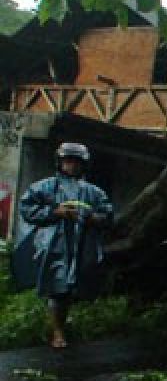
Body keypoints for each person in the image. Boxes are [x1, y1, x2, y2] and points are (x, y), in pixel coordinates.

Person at [14, 142, 113, 349]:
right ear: (60, 162)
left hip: (83, 245)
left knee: (75, 287)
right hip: (53, 244)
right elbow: (26, 208)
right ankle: (57, 332)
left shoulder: (93, 192)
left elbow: (107, 214)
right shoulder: (45, 187)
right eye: (68, 161)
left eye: (76, 162)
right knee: (55, 286)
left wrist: (92, 218)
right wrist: (54, 213)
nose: (72, 166)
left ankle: (67, 324)